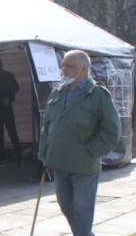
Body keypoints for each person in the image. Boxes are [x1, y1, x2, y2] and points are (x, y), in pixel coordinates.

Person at [38, 50, 120, 236]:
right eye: (63, 65)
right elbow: (47, 126)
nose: (64, 69)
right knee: (65, 205)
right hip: (59, 161)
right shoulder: (58, 93)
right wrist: (44, 152)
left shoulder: (98, 95)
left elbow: (112, 130)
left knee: (82, 209)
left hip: (84, 164)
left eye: (70, 66)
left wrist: (90, 151)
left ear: (84, 69)